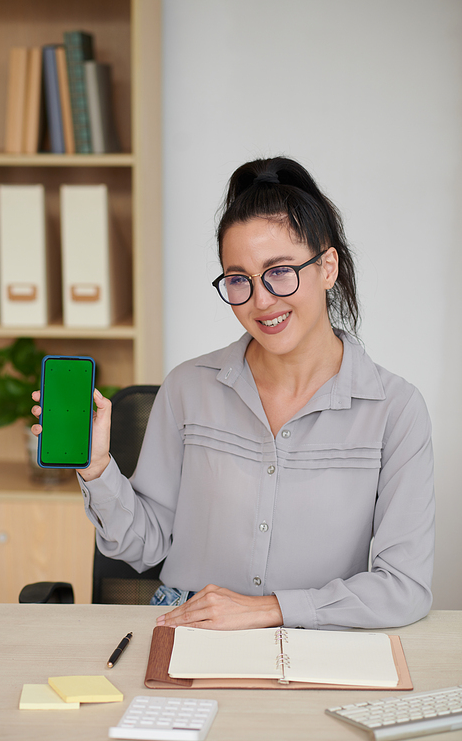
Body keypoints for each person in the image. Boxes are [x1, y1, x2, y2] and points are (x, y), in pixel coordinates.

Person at [32, 156, 435, 632]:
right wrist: (98, 471)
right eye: (238, 279)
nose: (260, 300)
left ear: (328, 267)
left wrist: (269, 610)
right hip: (190, 627)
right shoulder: (188, 387)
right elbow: (144, 547)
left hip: (317, 638)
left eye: (280, 271)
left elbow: (403, 587)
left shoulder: (395, 410)